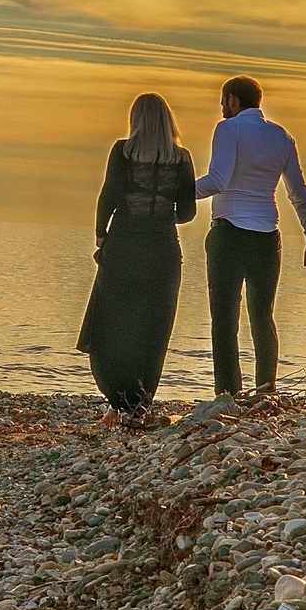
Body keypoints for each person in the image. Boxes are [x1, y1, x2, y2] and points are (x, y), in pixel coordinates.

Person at [196, 75, 306, 397]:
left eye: (224, 101)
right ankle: (266, 390)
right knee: (263, 318)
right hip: (267, 237)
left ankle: (228, 394)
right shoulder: (282, 137)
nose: (222, 107)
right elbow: (299, 192)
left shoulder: (228, 129)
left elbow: (218, 180)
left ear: (234, 100)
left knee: (224, 320)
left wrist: (177, 193)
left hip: (229, 235)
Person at [76, 93, 197, 425]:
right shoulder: (182, 158)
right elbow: (187, 212)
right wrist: (161, 212)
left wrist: (101, 234)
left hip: (124, 246)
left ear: (136, 120)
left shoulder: (122, 151)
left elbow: (109, 194)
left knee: (112, 324)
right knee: (153, 329)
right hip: (162, 251)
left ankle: (116, 402)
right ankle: (141, 404)